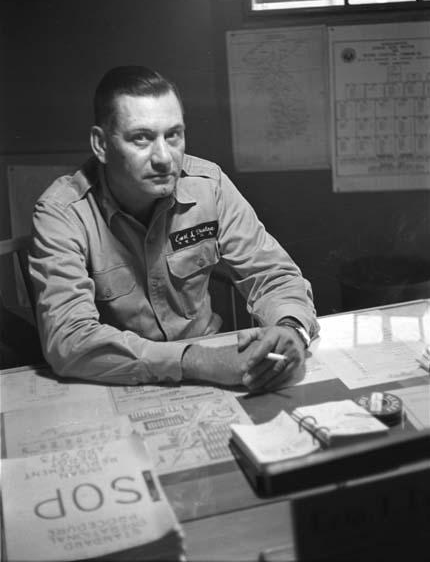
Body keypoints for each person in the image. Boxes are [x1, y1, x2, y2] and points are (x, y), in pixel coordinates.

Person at [29, 66, 319, 391]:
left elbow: (275, 276)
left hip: (217, 375)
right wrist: (199, 361)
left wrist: (291, 329)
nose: (164, 158)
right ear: (100, 144)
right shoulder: (62, 212)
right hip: (116, 380)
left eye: (173, 135)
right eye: (142, 138)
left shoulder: (210, 186)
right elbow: (68, 339)